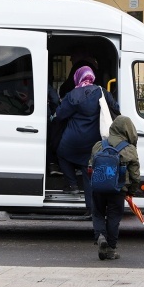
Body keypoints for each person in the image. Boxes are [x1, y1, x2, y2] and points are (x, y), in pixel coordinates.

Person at [55, 66, 118, 213]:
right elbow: (116, 108)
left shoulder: (72, 95)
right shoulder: (102, 92)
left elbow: (60, 114)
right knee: (87, 169)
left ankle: (72, 184)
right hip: (93, 140)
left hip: (72, 139)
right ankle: (91, 209)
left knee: (60, 154)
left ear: (78, 77)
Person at [90, 115, 140, 261]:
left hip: (98, 187)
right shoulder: (129, 149)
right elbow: (135, 175)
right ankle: (111, 250)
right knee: (114, 217)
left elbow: (90, 165)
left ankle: (100, 236)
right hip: (118, 189)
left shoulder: (99, 145)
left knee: (98, 213)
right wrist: (131, 191)